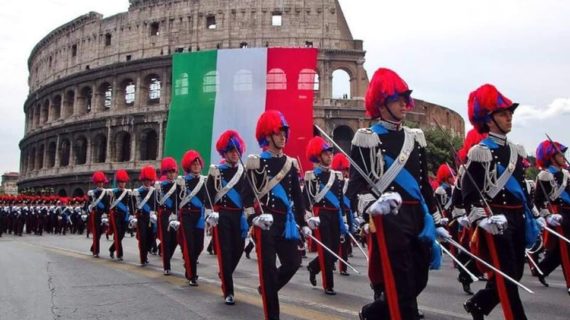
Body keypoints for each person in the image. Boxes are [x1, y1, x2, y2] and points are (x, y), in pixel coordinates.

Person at [346, 68, 446, 320]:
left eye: (405, 98)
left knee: (418, 277)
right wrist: (372, 208)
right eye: (397, 99)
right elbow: (356, 187)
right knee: (401, 282)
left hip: (416, 215)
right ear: (381, 104)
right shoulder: (367, 138)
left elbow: (424, 185)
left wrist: (436, 218)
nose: (404, 103)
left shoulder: (416, 138)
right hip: (389, 218)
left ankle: (375, 312)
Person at [462, 84, 540, 320]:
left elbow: (520, 189)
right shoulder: (480, 151)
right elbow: (469, 191)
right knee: (507, 277)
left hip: (518, 217)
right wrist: (482, 219)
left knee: (513, 273)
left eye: (510, 114)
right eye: (503, 114)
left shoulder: (517, 152)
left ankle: (478, 304)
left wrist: (536, 214)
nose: (509, 118)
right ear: (489, 119)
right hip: (497, 219)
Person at [242, 110, 309, 320]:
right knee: (268, 271)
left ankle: (267, 288)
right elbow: (245, 197)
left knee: (294, 262)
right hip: (266, 223)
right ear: (268, 135)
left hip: (286, 224)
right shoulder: (256, 162)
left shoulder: (291, 164)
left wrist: (303, 222)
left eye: (285, 132)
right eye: (279, 132)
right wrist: (254, 219)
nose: (284, 136)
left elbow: (298, 198)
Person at [206, 130, 249, 305]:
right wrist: (211, 215)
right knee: (224, 251)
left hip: (238, 215)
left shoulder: (244, 171)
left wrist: (247, 215)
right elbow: (208, 194)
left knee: (238, 248)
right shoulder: (216, 171)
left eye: (236, 150)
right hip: (222, 214)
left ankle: (225, 273)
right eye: (231, 150)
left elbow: (248, 195)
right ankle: (228, 291)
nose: (234, 154)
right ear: (224, 152)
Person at [304, 136, 347, 295]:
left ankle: (313, 267)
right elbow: (305, 198)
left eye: (330, 153)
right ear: (318, 156)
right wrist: (309, 219)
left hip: (335, 215)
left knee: (335, 250)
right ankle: (328, 285)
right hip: (321, 216)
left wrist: (344, 219)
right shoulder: (311, 176)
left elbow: (341, 200)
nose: (330, 156)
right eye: (326, 154)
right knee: (326, 250)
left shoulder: (337, 176)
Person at [534, 140, 570, 294]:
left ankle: (542, 269)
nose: (563, 156)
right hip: (558, 214)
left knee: (559, 252)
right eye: (559, 153)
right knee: (566, 250)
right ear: (551, 157)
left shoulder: (566, 173)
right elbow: (538, 200)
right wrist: (548, 216)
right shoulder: (545, 175)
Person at [179, 150, 207, 286]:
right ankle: (192, 275)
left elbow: (208, 200)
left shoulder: (205, 181)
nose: (196, 166)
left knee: (199, 246)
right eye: (193, 163)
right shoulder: (183, 181)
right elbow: (176, 199)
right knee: (189, 244)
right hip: (186, 216)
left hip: (199, 216)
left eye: (198, 163)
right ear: (188, 166)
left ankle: (189, 263)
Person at [156, 157, 182, 275]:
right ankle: (167, 266)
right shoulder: (161, 186)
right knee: (166, 240)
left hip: (175, 215)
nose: (172, 174)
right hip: (165, 214)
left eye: (174, 172)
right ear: (166, 173)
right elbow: (156, 201)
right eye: (170, 172)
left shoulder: (179, 185)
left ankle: (168, 257)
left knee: (176, 239)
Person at [133, 165, 158, 266]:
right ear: (143, 179)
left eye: (149, 179)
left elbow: (156, 204)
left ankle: (146, 252)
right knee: (142, 237)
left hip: (151, 218)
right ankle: (143, 258)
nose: (147, 181)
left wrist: (155, 213)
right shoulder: (138, 192)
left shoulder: (155, 191)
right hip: (142, 217)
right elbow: (133, 206)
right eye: (146, 179)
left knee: (151, 237)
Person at [108, 170, 134, 261]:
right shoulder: (113, 192)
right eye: (121, 182)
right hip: (116, 215)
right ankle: (120, 254)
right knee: (118, 234)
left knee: (122, 235)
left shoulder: (128, 192)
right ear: (118, 182)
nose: (122, 184)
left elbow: (131, 204)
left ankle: (112, 249)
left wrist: (131, 215)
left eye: (124, 182)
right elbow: (110, 204)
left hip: (125, 216)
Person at [87, 171, 110, 258]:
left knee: (101, 232)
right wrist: (89, 208)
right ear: (96, 183)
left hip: (103, 215)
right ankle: (96, 251)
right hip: (95, 214)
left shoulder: (106, 192)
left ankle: (93, 247)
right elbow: (88, 204)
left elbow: (107, 204)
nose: (101, 184)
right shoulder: (93, 192)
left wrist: (107, 213)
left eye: (102, 182)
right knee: (96, 233)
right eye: (99, 183)